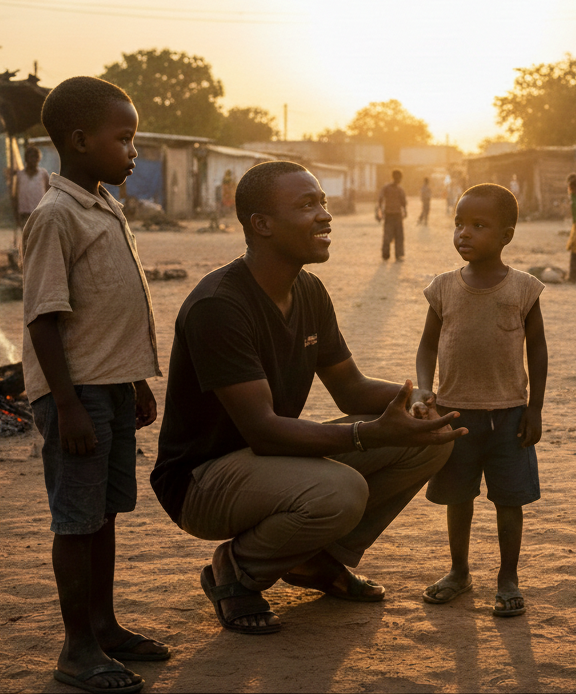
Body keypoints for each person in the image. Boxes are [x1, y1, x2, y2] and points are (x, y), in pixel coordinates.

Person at [150, 160, 465, 636]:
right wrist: (368, 434)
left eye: (322, 201)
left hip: (269, 460)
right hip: (203, 480)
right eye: (306, 205)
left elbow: (351, 389)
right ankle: (235, 572)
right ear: (262, 225)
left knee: (432, 437)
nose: (325, 215)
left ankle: (321, 562)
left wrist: (425, 398)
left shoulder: (308, 290)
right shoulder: (220, 305)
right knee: (340, 489)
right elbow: (262, 428)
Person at [22, 76, 165, 694]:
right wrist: (68, 404)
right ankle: (76, 649)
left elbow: (108, 308)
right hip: (75, 395)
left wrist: (132, 378)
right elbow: (44, 317)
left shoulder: (103, 203)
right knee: (77, 519)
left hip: (107, 388)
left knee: (102, 513)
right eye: (124, 137)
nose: (134, 149)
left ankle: (104, 627)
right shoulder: (56, 215)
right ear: (79, 140)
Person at [415, 183, 548, 618]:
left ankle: (508, 578)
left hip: (510, 415)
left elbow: (538, 350)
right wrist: (424, 389)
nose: (463, 234)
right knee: (459, 497)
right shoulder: (442, 287)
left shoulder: (524, 288)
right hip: (456, 413)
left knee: (509, 501)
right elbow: (427, 348)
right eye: (458, 224)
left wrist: (535, 408)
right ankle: (459, 572)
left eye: (478, 225)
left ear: (506, 235)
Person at [14, 145, 50, 227]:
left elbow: (49, 192)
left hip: (40, 212)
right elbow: (16, 195)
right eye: (30, 157)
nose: (33, 160)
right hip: (24, 213)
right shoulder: (20, 175)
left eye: (35, 157)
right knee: (27, 236)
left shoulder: (43, 174)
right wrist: (16, 213)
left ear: (38, 159)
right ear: (26, 159)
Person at [377, 169, 408, 260]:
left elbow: (403, 202)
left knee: (399, 236)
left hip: (397, 215)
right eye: (398, 177)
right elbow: (380, 199)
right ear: (394, 177)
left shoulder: (399, 189)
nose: (399, 179)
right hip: (389, 215)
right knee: (387, 235)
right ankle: (386, 254)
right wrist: (379, 211)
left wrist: (405, 211)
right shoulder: (387, 187)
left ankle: (398, 255)